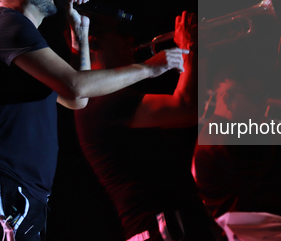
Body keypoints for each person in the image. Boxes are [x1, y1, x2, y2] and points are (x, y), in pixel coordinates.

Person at [0, 0, 187, 241]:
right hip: (2, 185)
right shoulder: (7, 24)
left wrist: (80, 41)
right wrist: (150, 67)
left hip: (16, 191)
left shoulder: (19, 38)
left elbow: (74, 100)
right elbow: (77, 87)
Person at [74, 12, 223, 241]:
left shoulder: (112, 96)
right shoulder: (99, 101)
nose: (130, 39)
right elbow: (187, 108)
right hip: (159, 225)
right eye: (119, 34)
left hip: (172, 221)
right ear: (94, 43)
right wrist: (191, 48)